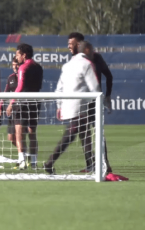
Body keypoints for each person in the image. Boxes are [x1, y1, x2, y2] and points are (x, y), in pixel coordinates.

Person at [44, 41, 100, 174]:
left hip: (67, 105)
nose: (93, 52)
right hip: (79, 106)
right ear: (86, 49)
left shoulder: (67, 65)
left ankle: (91, 164)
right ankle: (49, 162)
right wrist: (96, 101)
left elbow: (59, 89)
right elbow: (95, 88)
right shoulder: (87, 64)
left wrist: (59, 106)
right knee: (70, 135)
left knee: (84, 133)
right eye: (91, 49)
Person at [68, 32, 113, 173]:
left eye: (72, 44)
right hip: (80, 102)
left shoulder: (95, 57)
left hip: (93, 101)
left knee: (97, 131)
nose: (69, 46)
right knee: (83, 133)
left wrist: (107, 96)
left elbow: (109, 75)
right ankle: (90, 165)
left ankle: (105, 164)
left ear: (80, 44)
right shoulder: (74, 59)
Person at [6, 44, 43, 170]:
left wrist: (11, 102)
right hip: (35, 102)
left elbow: (20, 86)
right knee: (32, 133)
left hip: (22, 103)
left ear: (24, 55)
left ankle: (22, 161)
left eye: (17, 54)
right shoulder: (38, 67)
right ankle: (33, 162)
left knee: (19, 133)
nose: (17, 57)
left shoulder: (23, 67)